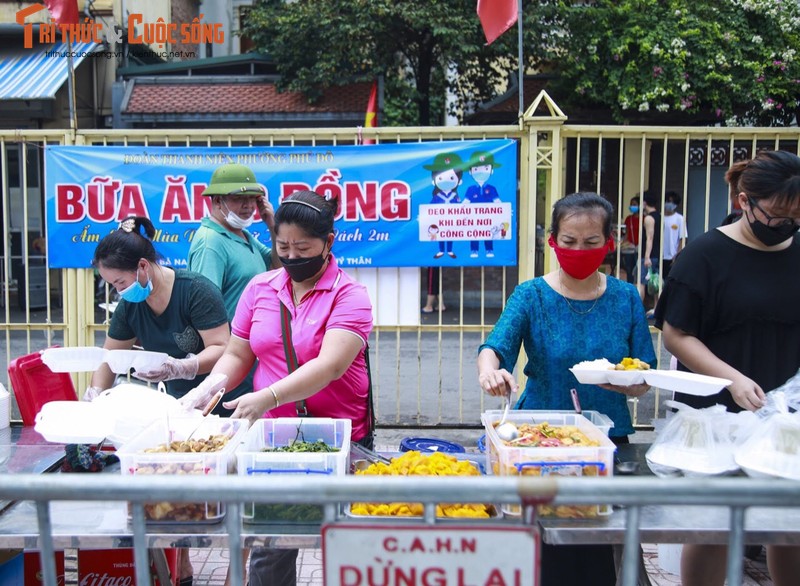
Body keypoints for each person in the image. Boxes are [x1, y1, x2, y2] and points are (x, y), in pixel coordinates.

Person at [182, 190, 374, 586]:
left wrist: (266, 396)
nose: (291, 256)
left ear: (329, 243)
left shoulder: (351, 296)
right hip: (276, 440)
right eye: (282, 246)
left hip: (343, 439)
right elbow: (238, 353)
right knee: (271, 547)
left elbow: (330, 365)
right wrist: (209, 388)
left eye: (303, 247)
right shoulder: (260, 289)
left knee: (349, 546)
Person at [477, 192, 656, 586]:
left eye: (591, 243)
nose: (579, 250)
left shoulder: (626, 297)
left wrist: (629, 384)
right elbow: (495, 347)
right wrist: (490, 372)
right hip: (536, 441)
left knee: (598, 545)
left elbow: (644, 372)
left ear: (610, 243)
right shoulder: (531, 295)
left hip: (607, 445)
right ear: (553, 241)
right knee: (543, 544)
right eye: (569, 241)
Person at [654, 150, 800, 586]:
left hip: (786, 414)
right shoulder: (704, 255)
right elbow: (676, 334)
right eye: (776, 215)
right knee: (711, 525)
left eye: (795, 215)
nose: (785, 224)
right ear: (743, 202)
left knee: (789, 524)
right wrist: (731, 379)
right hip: (715, 408)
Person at [86, 216, 231, 586]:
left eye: (119, 282)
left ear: (143, 267)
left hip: (220, 395)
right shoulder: (131, 305)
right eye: (111, 285)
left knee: (227, 494)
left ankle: (236, 575)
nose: (118, 291)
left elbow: (223, 347)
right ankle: (180, 570)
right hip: (175, 406)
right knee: (177, 490)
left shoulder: (195, 291)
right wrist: (94, 399)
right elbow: (111, 359)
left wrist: (184, 366)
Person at [188, 162, 276, 417]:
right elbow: (204, 308)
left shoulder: (242, 236)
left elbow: (278, 266)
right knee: (231, 429)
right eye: (239, 199)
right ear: (216, 201)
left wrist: (271, 224)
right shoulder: (211, 242)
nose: (248, 206)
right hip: (231, 355)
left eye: (253, 198)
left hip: (250, 350)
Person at [424, 152, 463, 259]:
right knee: (440, 235)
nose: (446, 181)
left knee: (450, 235)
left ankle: (450, 250)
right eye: (440, 178)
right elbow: (430, 208)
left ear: (459, 181)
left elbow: (460, 208)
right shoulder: (437, 197)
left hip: (451, 220)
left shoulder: (455, 196)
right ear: (434, 181)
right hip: (439, 220)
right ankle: (441, 250)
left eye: (451, 178)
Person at [463, 151, 501, 258]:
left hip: (488, 218)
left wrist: (506, 212)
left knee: (489, 233)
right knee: (474, 234)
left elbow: (498, 203)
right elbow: (465, 203)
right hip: (474, 218)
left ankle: (489, 250)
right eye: (476, 169)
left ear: (491, 171)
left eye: (485, 169)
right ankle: (474, 250)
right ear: (470, 172)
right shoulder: (470, 189)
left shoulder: (492, 188)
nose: (481, 172)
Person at [637, 191, 661, 306]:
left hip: (649, 256)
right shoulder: (659, 216)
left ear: (645, 203)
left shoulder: (649, 218)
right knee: (655, 282)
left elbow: (649, 238)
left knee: (641, 282)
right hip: (656, 254)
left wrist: (646, 256)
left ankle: (638, 308)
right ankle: (656, 308)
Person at [661, 190, 687, 279]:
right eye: (668, 201)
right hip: (659, 256)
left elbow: (682, 239)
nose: (669, 204)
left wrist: (677, 256)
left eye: (672, 202)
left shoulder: (679, 219)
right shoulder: (659, 217)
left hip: (672, 256)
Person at [620, 196, 640, 284]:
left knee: (639, 269)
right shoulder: (629, 219)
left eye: (635, 204)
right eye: (631, 204)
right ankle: (630, 285)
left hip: (640, 248)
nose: (632, 206)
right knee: (629, 268)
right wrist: (623, 244)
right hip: (630, 247)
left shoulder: (645, 218)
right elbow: (626, 233)